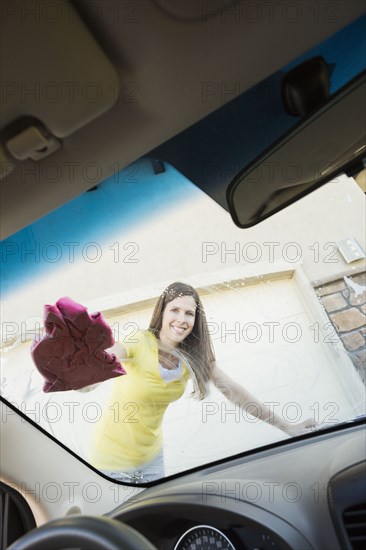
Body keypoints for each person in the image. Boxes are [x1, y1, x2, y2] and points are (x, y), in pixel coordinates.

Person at [88, 282, 315, 482]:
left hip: (150, 458)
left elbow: (235, 392)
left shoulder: (192, 358)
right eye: (174, 310)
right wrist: (85, 378)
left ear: (196, 320)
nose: (181, 319)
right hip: (110, 461)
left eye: (189, 313)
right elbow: (106, 360)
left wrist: (288, 427)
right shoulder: (139, 341)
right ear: (162, 313)